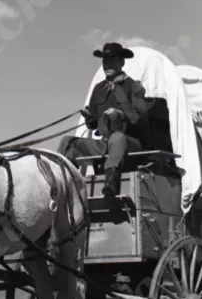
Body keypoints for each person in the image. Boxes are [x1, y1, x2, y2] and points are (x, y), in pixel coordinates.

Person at [58, 42, 149, 197]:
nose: (107, 64)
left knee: (117, 137)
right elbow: (93, 125)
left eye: (111, 60)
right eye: (104, 61)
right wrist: (89, 118)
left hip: (129, 143)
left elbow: (141, 120)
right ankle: (60, 185)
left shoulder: (134, 87)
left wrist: (120, 114)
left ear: (121, 62)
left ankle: (111, 184)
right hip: (105, 144)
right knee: (68, 143)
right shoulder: (98, 88)